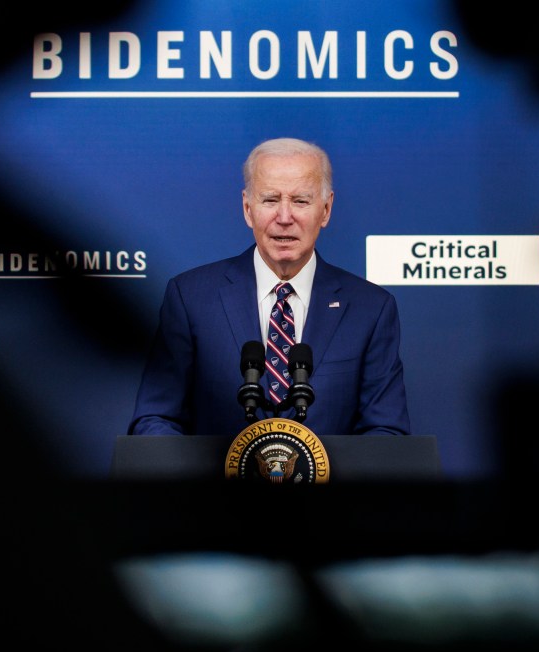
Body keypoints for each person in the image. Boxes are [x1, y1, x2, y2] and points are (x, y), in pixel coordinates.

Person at [128, 137, 411, 437]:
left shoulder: (371, 309)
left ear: (326, 209)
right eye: (270, 200)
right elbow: (154, 420)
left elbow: (386, 431)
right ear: (248, 208)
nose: (284, 218)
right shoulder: (191, 299)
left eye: (300, 200)